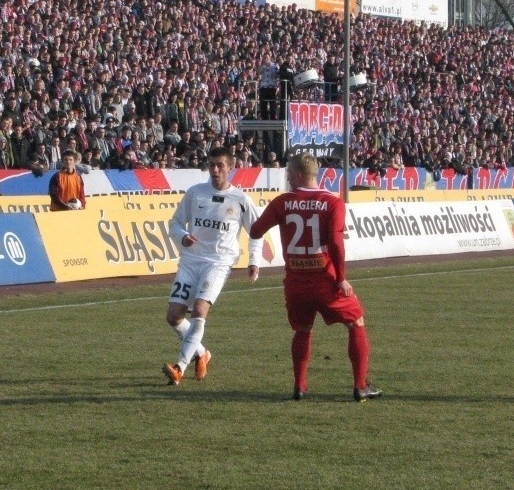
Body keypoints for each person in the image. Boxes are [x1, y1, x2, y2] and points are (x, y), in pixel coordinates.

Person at [249, 152, 381, 402]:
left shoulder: (282, 202)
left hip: (296, 281)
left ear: (299, 174)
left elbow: (256, 231)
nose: (287, 177)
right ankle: (360, 385)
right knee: (356, 322)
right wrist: (341, 277)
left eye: (289, 173)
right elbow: (335, 242)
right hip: (325, 280)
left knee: (302, 329)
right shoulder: (332, 202)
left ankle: (299, 386)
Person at [162, 146, 262, 385]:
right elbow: (175, 223)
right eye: (211, 165)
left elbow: (256, 232)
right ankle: (202, 353)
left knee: (199, 310)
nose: (215, 170)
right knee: (174, 316)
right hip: (190, 260)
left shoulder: (240, 200)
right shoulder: (196, 193)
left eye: (220, 166)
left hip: (219, 263)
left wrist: (254, 261)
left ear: (230, 167)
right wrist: (183, 236)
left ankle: (180, 367)